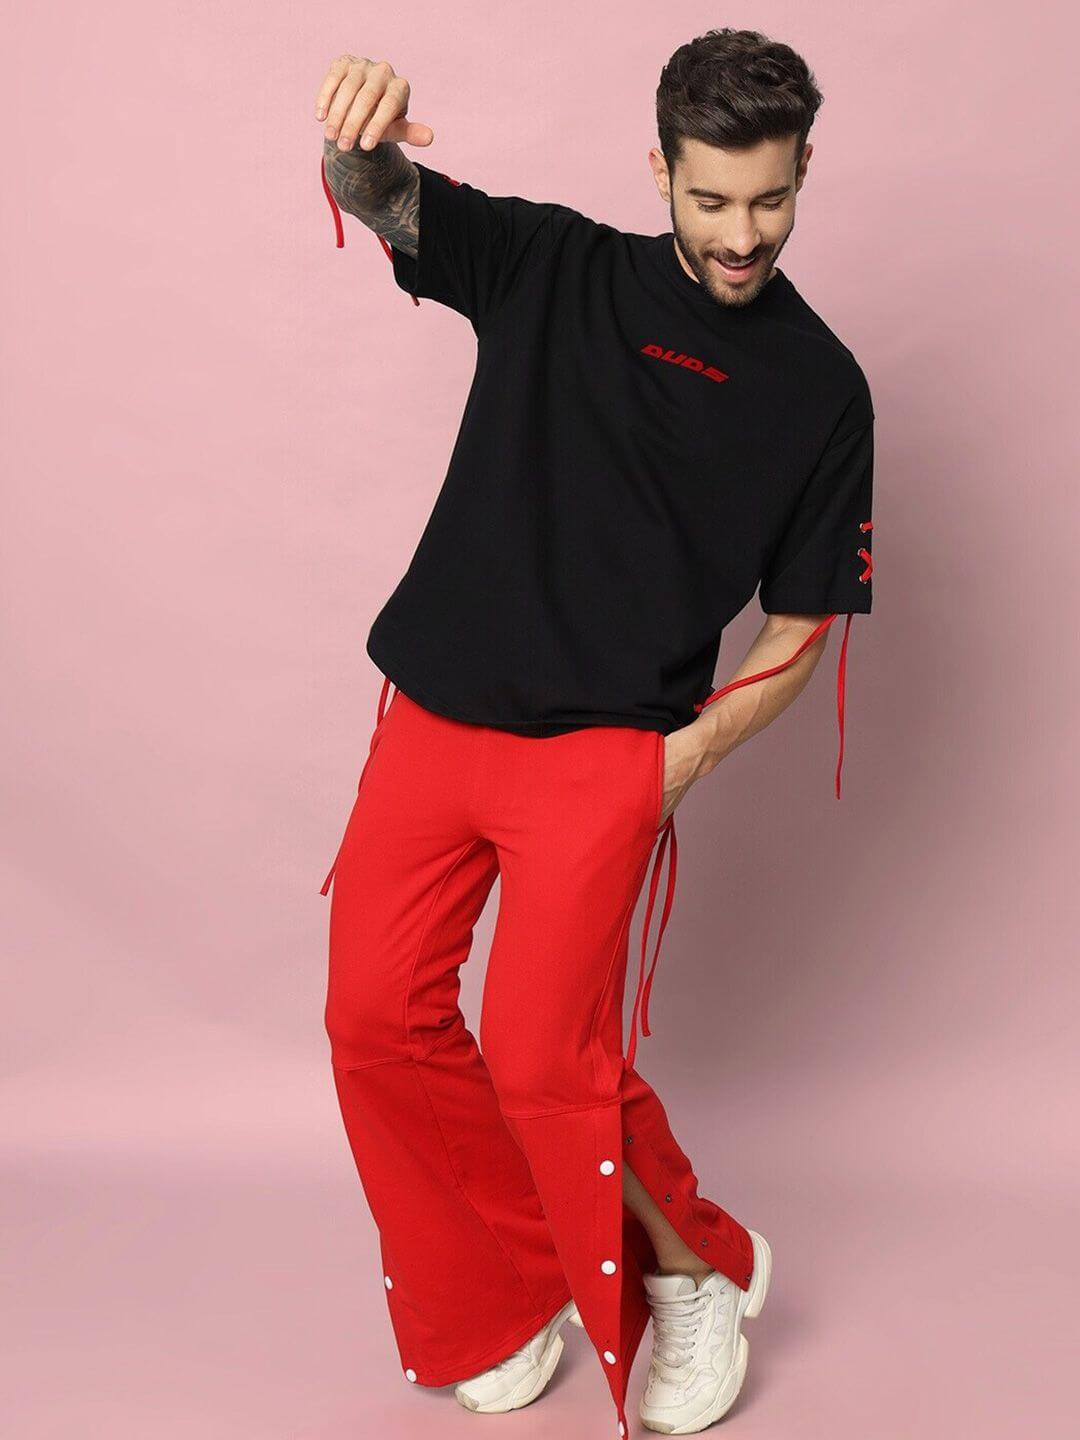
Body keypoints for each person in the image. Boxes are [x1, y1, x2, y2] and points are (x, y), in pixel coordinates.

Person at [314, 26, 873, 1437]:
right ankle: (501, 1293)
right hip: (434, 714)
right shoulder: (551, 263)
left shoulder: (822, 389)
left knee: (544, 1062)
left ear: (804, 171)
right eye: (711, 197)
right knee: (374, 1019)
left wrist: (679, 759)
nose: (741, 234)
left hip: (606, 752)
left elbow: (804, 624)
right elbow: (385, 197)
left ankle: (698, 1270)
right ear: (660, 170)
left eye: (771, 198)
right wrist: (352, 144)